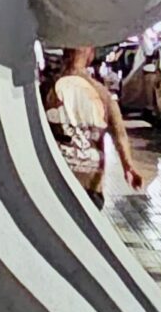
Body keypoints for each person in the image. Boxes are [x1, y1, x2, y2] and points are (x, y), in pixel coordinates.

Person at [43, 44, 144, 206]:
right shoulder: (101, 93)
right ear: (90, 55)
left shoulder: (47, 90)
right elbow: (120, 135)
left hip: (57, 180)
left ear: (65, 53)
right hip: (90, 182)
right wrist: (128, 166)